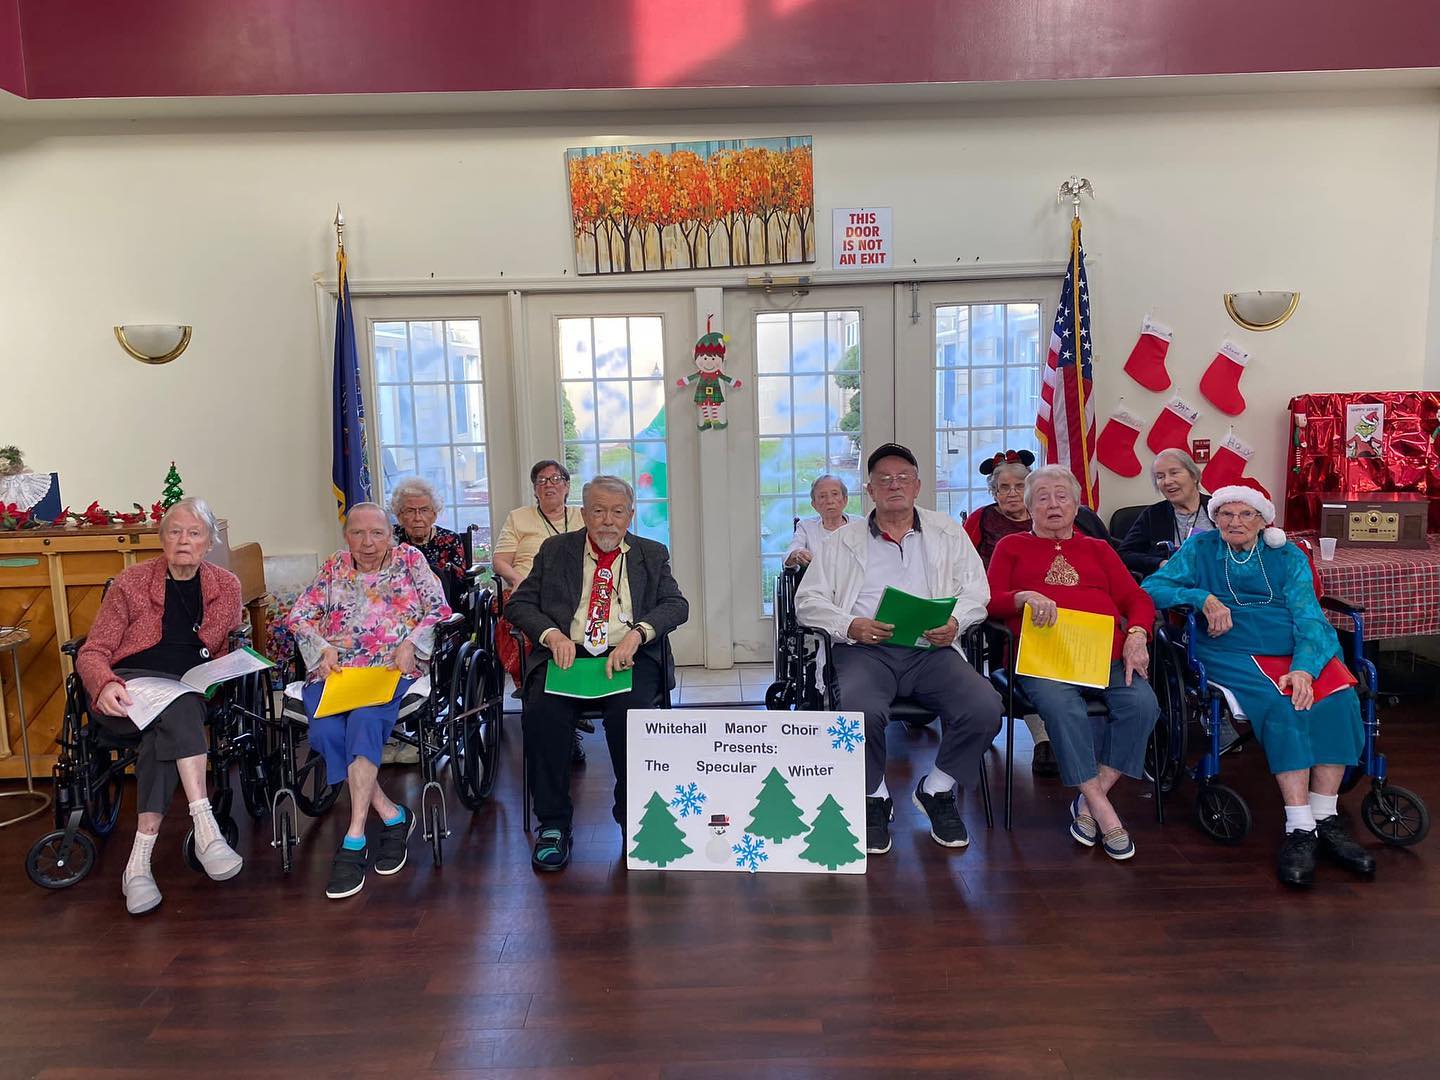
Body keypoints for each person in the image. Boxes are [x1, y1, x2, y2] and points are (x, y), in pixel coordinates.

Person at [1143, 479, 1373, 888]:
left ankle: (1325, 818)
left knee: (1339, 701)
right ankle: (1299, 827)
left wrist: (1304, 668)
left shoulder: (1287, 554)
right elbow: (1151, 588)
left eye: (1245, 513)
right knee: (1283, 705)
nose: (1235, 521)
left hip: (1297, 645)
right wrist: (1201, 598)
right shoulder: (1200, 549)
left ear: (1263, 519)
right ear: (1215, 518)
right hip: (1232, 648)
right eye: (1226, 514)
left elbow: (1308, 616)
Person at [794, 442, 1003, 857]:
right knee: (860, 712)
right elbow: (808, 601)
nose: (895, 485)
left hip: (931, 649)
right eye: (884, 479)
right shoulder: (841, 540)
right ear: (870, 490)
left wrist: (955, 622)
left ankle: (937, 788)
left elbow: (977, 591)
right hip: (864, 650)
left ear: (917, 486)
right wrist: (850, 624)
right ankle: (874, 796)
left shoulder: (947, 531)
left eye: (903, 477)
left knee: (985, 706)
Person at [506, 475, 689, 872]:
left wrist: (638, 634)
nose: (608, 521)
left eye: (617, 512)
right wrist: (552, 634)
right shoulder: (556, 550)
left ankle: (634, 816)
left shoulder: (651, 553)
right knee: (543, 716)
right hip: (567, 654)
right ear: (584, 514)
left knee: (631, 717)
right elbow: (519, 605)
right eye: (599, 511)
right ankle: (553, 824)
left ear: (630, 515)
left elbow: (676, 605)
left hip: (627, 656)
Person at [76, 498, 244, 916]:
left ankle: (138, 866)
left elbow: (225, 648)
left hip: (189, 689)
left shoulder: (226, 585)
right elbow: (93, 651)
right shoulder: (131, 582)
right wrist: (104, 684)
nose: (183, 540)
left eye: (194, 533)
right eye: (175, 532)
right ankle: (205, 829)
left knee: (170, 722)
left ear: (209, 542)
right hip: (129, 691)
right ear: (162, 538)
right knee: (179, 709)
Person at [987, 466, 1160, 861]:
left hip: (1104, 654)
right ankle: (1102, 808)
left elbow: (1137, 598)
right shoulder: (1011, 546)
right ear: (1029, 507)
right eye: (1043, 497)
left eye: (1061, 496)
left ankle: (1089, 798)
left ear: (1077, 505)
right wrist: (1022, 597)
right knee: (1063, 708)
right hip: (1044, 658)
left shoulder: (1098, 549)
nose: (1053, 504)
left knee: (1142, 704)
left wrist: (1137, 634)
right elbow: (990, 601)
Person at [286, 502, 452, 900]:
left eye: (377, 533)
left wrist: (412, 643)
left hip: (389, 670)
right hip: (337, 672)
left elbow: (439, 609)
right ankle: (393, 815)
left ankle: (355, 836)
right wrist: (322, 646)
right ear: (346, 537)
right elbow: (299, 616)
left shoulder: (410, 561)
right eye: (358, 533)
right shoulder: (333, 567)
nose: (368, 542)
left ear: (390, 535)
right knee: (325, 733)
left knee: (363, 722)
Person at [962, 448, 1112, 778]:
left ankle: (1086, 758)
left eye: (1019, 486)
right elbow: (963, 566)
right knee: (1027, 655)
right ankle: (1044, 738)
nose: (1011, 493)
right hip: (1006, 615)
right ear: (994, 492)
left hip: (1079, 629)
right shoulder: (983, 521)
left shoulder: (1068, 523)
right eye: (1003, 487)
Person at [492, 459, 588, 761]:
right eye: (542, 481)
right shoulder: (519, 518)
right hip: (529, 591)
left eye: (556, 479)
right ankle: (540, 692)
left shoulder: (582, 516)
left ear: (567, 486)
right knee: (525, 627)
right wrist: (519, 581)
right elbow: (500, 561)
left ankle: (576, 701)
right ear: (534, 489)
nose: (549, 485)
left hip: (575, 594)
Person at [1118, 449, 1212, 578]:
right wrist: (1160, 563)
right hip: (1170, 583)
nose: (1167, 481)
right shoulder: (1152, 515)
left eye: (1174, 473)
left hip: (1217, 581)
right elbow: (1124, 554)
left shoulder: (1218, 508)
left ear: (1194, 476)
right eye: (1160, 477)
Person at [389, 477, 468, 609]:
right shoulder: (391, 538)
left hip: (442, 604)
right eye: (410, 511)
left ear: (434, 514)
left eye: (424, 510)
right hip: (399, 605)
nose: (418, 518)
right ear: (399, 516)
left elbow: (458, 585)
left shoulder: (449, 540)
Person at [783, 475, 852, 568]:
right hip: (818, 577)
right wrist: (796, 554)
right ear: (814, 504)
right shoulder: (805, 527)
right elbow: (787, 558)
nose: (830, 501)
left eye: (835, 494)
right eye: (822, 496)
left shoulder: (861, 524)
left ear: (845, 499)